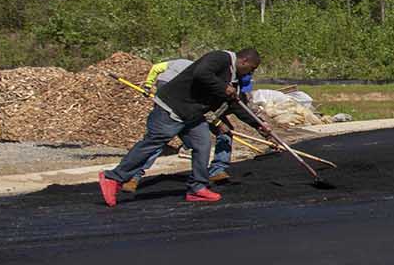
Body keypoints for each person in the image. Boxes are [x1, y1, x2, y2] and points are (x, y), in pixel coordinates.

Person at [98, 48, 268, 207]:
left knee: (202, 144)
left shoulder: (233, 79)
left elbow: (236, 105)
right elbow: (201, 73)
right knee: (153, 143)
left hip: (192, 114)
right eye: (251, 68)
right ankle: (113, 177)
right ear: (244, 61)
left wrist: (259, 125)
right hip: (171, 107)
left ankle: (197, 188)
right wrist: (223, 87)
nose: (251, 73)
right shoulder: (220, 58)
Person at [118, 61, 253, 193]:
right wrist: (218, 123)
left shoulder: (219, 79)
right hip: (176, 105)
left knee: (213, 138)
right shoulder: (194, 79)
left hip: (193, 108)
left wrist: (259, 126)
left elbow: (214, 107)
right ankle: (132, 177)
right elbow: (202, 108)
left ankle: (216, 171)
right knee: (161, 138)